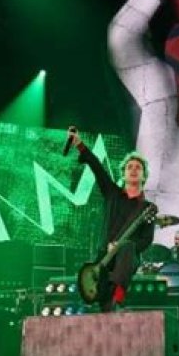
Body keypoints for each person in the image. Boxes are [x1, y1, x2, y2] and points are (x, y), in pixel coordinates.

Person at [70, 128, 157, 312]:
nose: (133, 170)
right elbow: (97, 167)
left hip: (127, 257)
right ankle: (109, 298)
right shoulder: (112, 193)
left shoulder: (148, 208)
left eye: (138, 167)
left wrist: (122, 245)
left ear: (144, 176)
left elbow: (146, 240)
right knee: (103, 308)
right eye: (129, 167)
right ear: (123, 174)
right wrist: (79, 144)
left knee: (127, 247)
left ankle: (118, 295)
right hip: (104, 256)